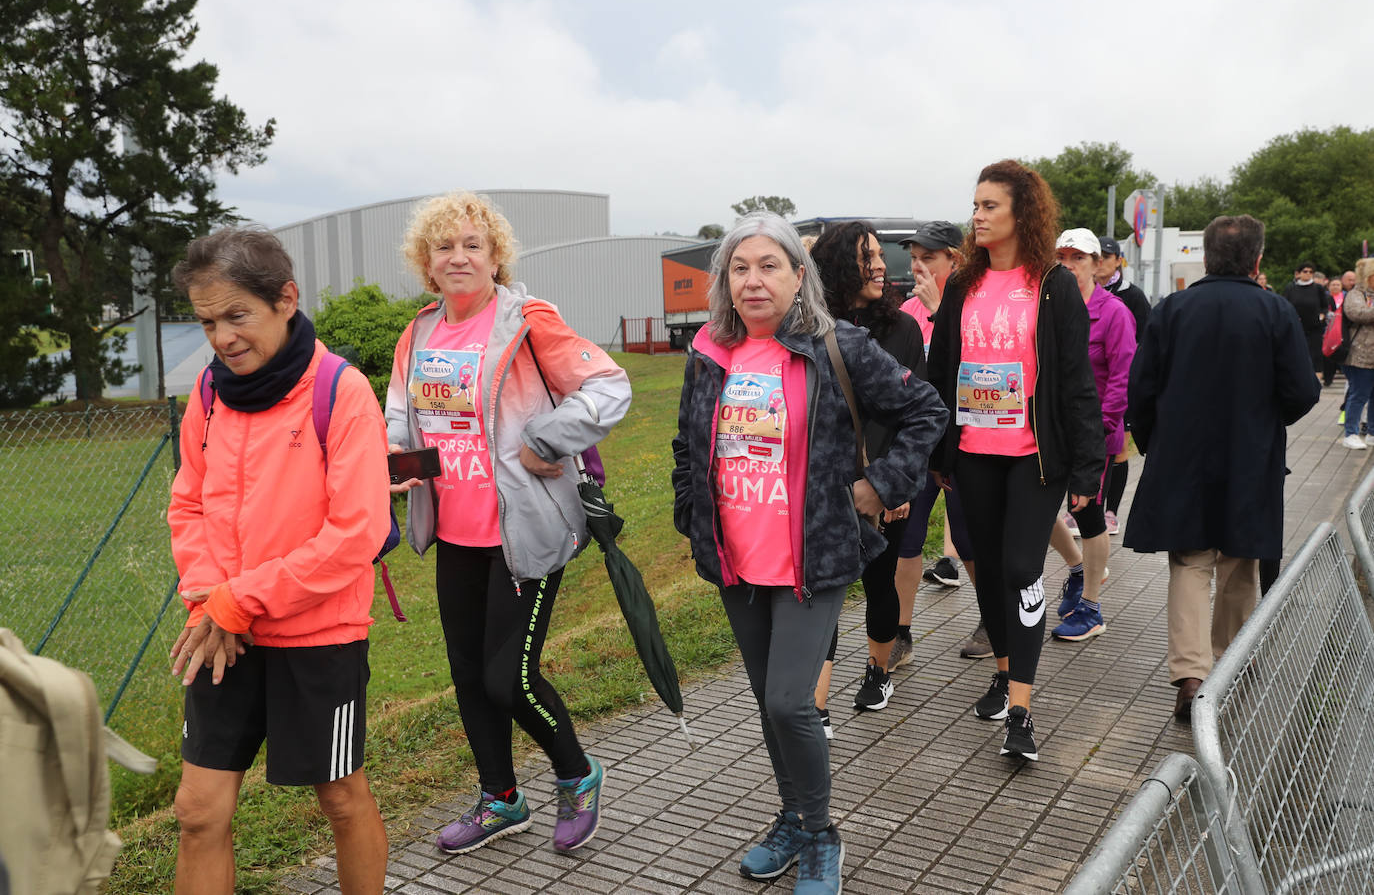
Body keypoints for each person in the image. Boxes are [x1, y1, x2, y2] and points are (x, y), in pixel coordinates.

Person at [672, 212, 945, 893]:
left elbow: (926, 411)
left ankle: (822, 833)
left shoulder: (837, 346)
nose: (753, 280)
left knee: (794, 702)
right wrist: (690, 512)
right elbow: (686, 445)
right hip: (737, 558)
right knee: (771, 702)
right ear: (724, 281)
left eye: (770, 265)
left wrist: (880, 485)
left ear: (800, 276)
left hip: (811, 556)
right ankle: (793, 816)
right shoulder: (709, 351)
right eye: (740, 268)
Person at [385, 191, 631, 855]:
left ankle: (578, 775)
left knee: (509, 679)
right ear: (426, 263)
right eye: (445, 247)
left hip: (525, 530)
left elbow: (609, 386)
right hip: (456, 534)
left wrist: (547, 438)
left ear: (496, 256)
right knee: (469, 676)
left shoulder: (526, 320)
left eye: (473, 245)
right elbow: (402, 421)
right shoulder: (420, 332)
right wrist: (395, 466)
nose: (459, 257)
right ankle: (501, 800)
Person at [167, 228, 392, 895]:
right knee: (197, 813)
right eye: (207, 322)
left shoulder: (341, 391)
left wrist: (244, 599)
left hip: (317, 639)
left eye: (237, 316)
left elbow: (357, 532)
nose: (223, 338)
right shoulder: (207, 396)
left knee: (342, 800)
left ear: (285, 299)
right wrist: (213, 599)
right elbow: (188, 507)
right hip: (221, 635)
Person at [925, 160, 1104, 762]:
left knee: (1023, 567)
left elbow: (1077, 384)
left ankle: (1022, 711)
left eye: (989, 207)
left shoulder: (1054, 286)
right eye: (974, 205)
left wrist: (1087, 469)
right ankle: (1003, 672)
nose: (976, 216)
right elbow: (940, 373)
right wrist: (938, 451)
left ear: (1021, 214)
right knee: (989, 569)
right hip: (972, 455)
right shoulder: (961, 286)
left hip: (1033, 458)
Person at [1124, 215, 1319, 722]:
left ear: (1206, 258)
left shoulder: (1173, 309)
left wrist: (1152, 441)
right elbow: (1302, 392)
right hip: (1249, 457)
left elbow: (1140, 389)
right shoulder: (1275, 311)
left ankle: (1191, 677)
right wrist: (1265, 422)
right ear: (1257, 259)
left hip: (1181, 457)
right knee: (1239, 562)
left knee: (1189, 563)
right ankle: (1228, 665)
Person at [810, 220, 923, 711]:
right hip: (825, 487)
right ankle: (817, 708)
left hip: (882, 484)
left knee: (880, 585)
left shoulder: (902, 329)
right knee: (823, 592)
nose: (880, 265)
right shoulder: (811, 330)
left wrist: (893, 485)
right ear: (838, 267)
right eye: (866, 256)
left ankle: (878, 670)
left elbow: (916, 411)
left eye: (879, 254)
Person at [893, 221, 986, 663]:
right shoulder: (908, 311)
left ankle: (992, 621)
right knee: (906, 540)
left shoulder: (975, 303)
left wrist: (939, 313)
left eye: (928, 257)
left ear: (956, 259)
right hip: (917, 445)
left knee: (968, 540)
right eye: (913, 257)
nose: (917, 266)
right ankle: (900, 634)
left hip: (964, 442)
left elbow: (977, 371)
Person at [1046, 230, 1136, 641]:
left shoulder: (1114, 313)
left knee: (1089, 516)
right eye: (1061, 256)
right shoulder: (1047, 309)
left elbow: (1122, 379)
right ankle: (1078, 569)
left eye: (1078, 258)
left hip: (1096, 434)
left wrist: (1098, 432)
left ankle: (1092, 607)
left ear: (1097, 265)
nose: (1068, 264)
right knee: (1042, 508)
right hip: (1050, 432)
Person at [1095, 236, 1149, 536]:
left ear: (1118, 260)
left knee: (1118, 449)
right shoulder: (1080, 291)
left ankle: (1111, 512)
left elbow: (1146, 341)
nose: (1100, 260)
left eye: (1107, 256)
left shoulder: (1132, 296)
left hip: (1122, 384)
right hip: (1091, 385)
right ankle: (1082, 510)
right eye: (1096, 255)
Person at [1338, 257, 1374, 450]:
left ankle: (1372, 433)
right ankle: (1350, 433)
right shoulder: (1356, 294)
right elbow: (1357, 313)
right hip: (1359, 355)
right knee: (1358, 394)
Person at [1285, 261, 1336, 377]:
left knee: (1315, 353)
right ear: (1298, 273)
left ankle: (1316, 378)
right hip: (1297, 325)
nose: (1308, 274)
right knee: (1297, 352)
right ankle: (1296, 376)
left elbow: (1324, 306)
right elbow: (1286, 305)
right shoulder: (1291, 288)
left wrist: (1321, 316)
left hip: (1315, 326)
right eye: (1305, 271)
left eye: (1311, 272)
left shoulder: (1318, 288)